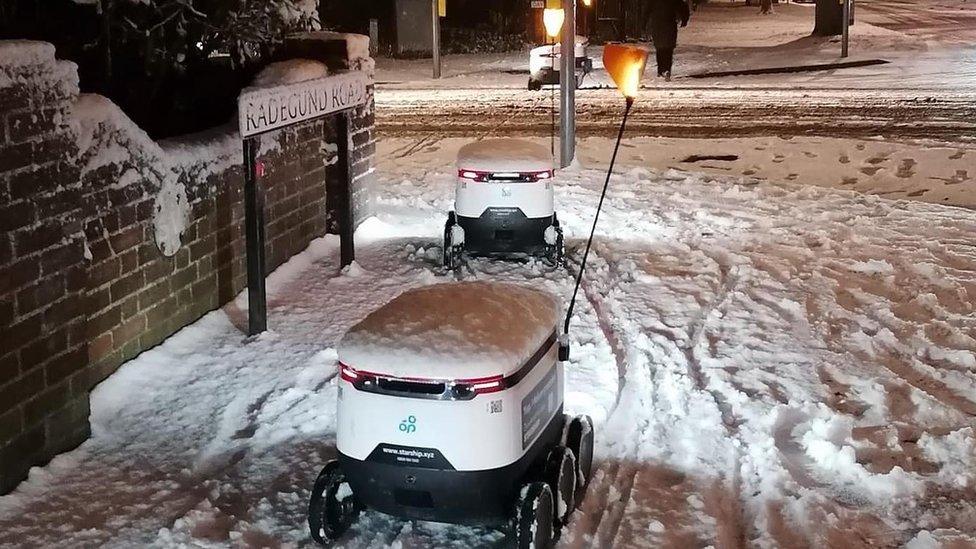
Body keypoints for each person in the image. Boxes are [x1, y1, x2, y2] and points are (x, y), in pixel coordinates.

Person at [648, 0, 691, 81]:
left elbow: (647, 10)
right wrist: (684, 19)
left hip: (658, 24)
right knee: (668, 48)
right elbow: (683, 6)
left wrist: (644, 23)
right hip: (669, 24)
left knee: (659, 47)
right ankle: (667, 69)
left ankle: (661, 70)